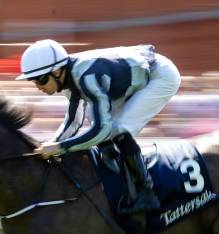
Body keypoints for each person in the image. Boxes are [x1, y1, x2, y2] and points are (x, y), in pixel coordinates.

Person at [16, 39, 181, 213]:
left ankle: (146, 194)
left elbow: (101, 130)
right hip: (128, 79)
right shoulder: (67, 77)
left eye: (40, 79)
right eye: (33, 81)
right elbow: (74, 121)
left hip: (160, 75)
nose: (38, 87)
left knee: (118, 129)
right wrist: (53, 144)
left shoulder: (87, 77)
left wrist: (60, 147)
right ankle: (110, 151)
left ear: (57, 72)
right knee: (95, 117)